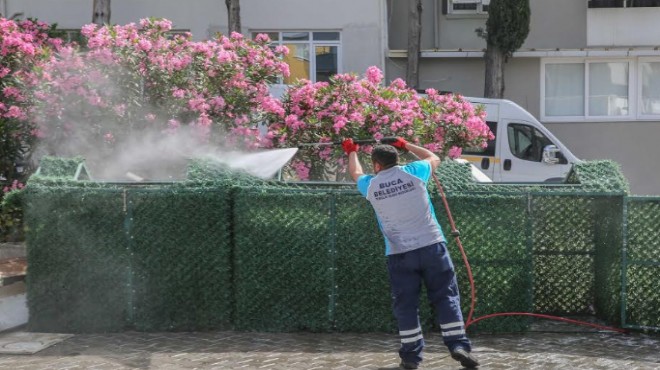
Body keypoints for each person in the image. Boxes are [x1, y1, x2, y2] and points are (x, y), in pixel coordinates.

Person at [342, 137, 479, 369]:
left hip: (399, 255)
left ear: (376, 165)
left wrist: (352, 151)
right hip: (433, 247)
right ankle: (458, 346)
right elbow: (433, 157)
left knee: (406, 305)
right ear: (396, 159)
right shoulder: (415, 172)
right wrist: (405, 144)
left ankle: (410, 358)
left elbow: (355, 173)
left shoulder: (371, 185)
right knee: (446, 297)